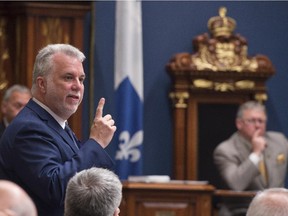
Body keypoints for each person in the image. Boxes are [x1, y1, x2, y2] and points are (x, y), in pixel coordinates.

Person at [0, 44, 117, 216]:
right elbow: (56, 189)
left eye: (81, 79)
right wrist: (96, 142)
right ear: (42, 84)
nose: (77, 86)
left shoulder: (56, 124)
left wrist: (101, 208)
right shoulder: (29, 128)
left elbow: (78, 183)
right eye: (68, 77)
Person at [213, 100, 288, 216]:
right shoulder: (225, 150)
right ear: (239, 124)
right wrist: (256, 153)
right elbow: (236, 184)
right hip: (241, 210)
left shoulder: (280, 141)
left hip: (278, 209)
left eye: (261, 121)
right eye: (252, 121)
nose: (257, 125)